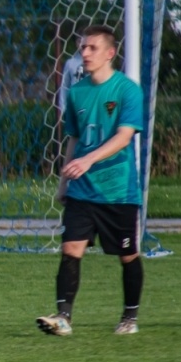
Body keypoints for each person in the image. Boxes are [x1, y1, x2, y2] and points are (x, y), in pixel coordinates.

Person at [38, 25, 147, 337]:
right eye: (82, 47)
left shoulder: (128, 90)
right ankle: (63, 317)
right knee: (71, 248)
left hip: (118, 191)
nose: (84, 53)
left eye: (92, 48)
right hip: (82, 190)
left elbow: (124, 137)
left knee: (128, 255)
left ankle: (129, 317)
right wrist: (64, 182)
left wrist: (87, 160)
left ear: (110, 53)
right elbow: (74, 137)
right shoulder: (77, 92)